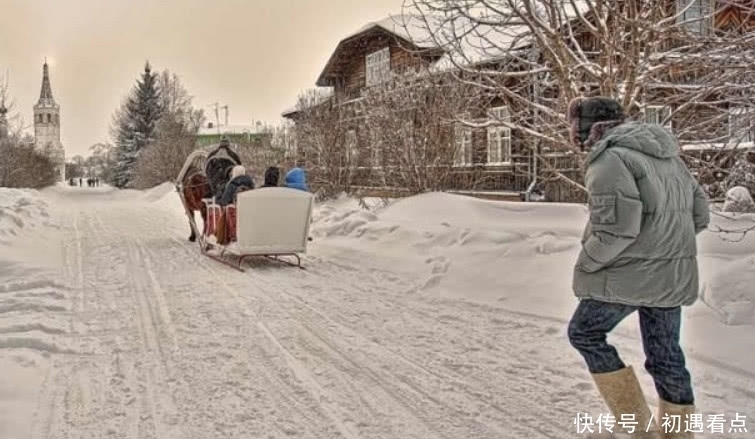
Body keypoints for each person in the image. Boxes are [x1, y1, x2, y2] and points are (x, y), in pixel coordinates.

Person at [565, 96, 709, 439]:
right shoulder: (669, 158)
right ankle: (679, 435)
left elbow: (617, 230)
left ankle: (638, 427)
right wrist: (663, 246)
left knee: (584, 332)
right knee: (666, 356)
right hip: (671, 276)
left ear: (585, 130)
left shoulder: (608, 159)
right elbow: (700, 215)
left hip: (629, 274)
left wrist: (588, 263)